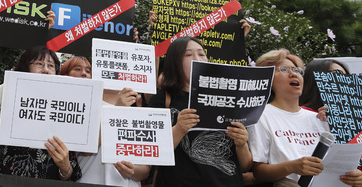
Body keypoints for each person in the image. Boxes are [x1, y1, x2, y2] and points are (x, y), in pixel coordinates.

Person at [248, 49, 362, 186]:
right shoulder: (261, 115)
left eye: (298, 71)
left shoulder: (320, 118)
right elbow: (259, 172)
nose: (293, 74)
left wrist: (355, 176)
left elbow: (338, 163)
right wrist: (292, 167)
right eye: (284, 69)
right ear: (267, 79)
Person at [147, 36, 252, 187]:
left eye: (202, 54)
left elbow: (245, 165)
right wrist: (179, 129)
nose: (197, 59)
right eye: (188, 55)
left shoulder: (228, 99)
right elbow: (152, 151)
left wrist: (242, 144)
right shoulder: (164, 98)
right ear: (174, 62)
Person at [0, 46, 81, 183]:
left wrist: (65, 167)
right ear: (25, 68)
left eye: (51, 66)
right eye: (39, 64)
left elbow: (72, 173)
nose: (46, 70)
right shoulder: (7, 106)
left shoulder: (64, 113)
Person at [60, 56, 150, 186]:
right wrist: (117, 110)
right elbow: (86, 149)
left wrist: (133, 171)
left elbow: (145, 170)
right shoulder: (82, 105)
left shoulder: (138, 111)